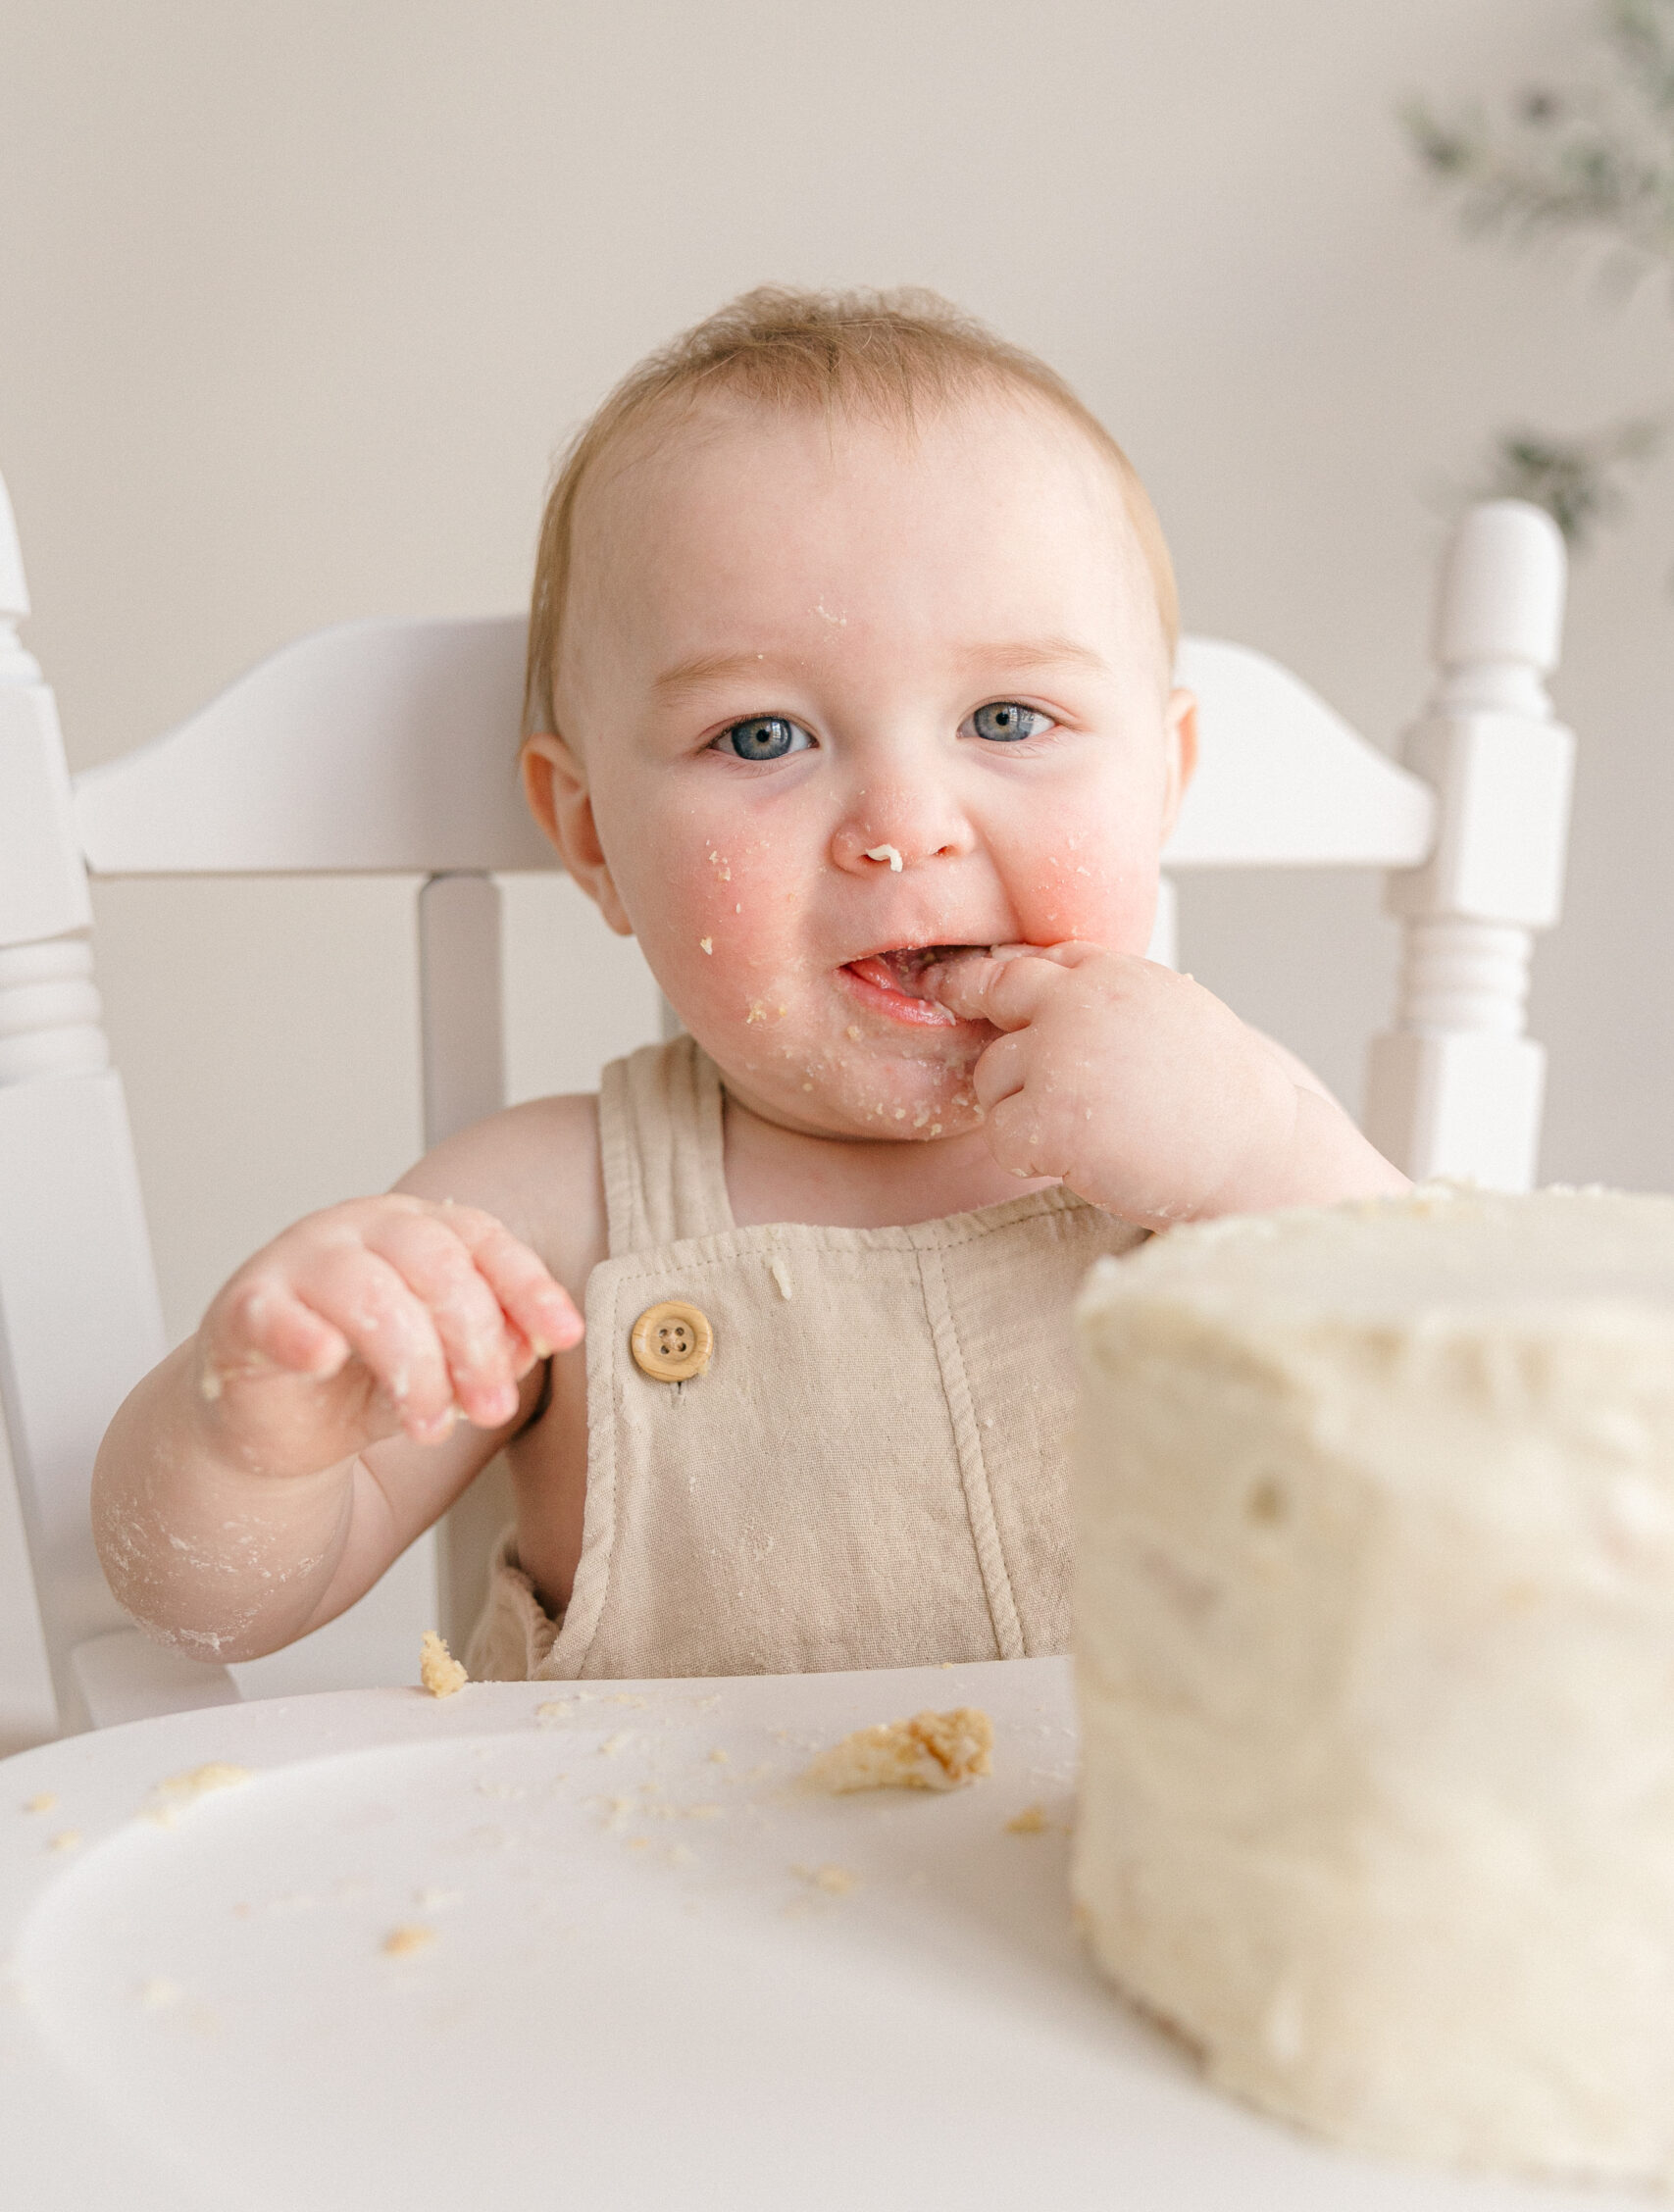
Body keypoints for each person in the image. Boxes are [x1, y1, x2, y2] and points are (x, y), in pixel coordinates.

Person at [91, 286, 1406, 1682]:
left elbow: (1494, 1467)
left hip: (1122, 1893)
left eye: (1008, 718)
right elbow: (215, 1611)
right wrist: (247, 1436)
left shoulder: (1230, 1167)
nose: (903, 820)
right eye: (763, 734)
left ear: (1165, 783)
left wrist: (1279, 1171)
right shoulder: (545, 1218)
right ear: (594, 835)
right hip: (628, 1887)